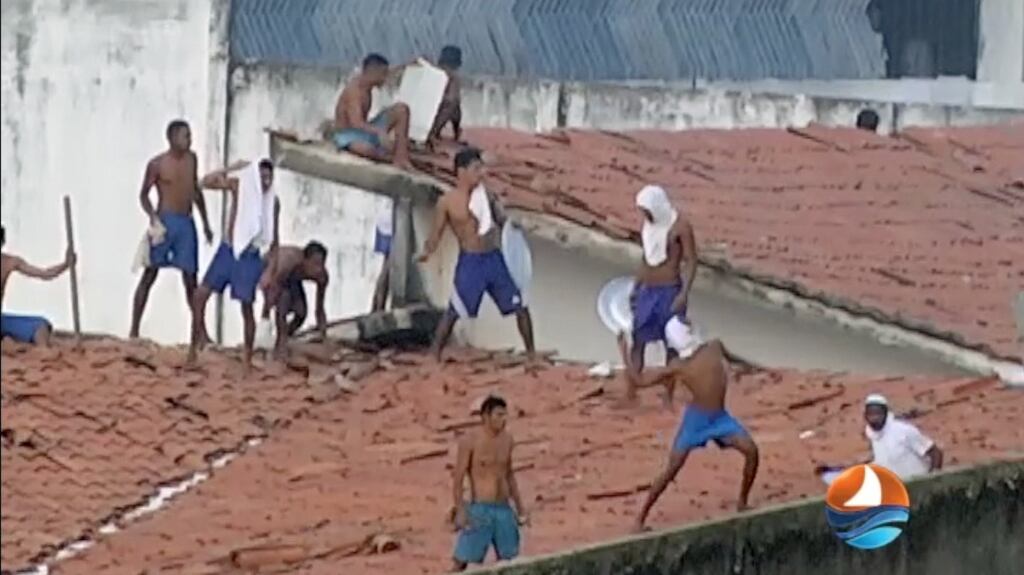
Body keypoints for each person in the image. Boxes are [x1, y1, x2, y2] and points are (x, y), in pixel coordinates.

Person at [620, 317, 759, 531]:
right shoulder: (680, 366)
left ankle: (742, 502)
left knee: (751, 451)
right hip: (696, 421)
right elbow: (640, 382)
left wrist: (752, 367)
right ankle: (640, 518)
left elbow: (732, 359)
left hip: (720, 418)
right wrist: (624, 352)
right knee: (672, 469)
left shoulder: (714, 347)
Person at [418, 147, 536, 363]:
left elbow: (503, 221)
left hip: (493, 257)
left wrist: (514, 227)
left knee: (520, 304)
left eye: (481, 168)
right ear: (461, 172)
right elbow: (436, 234)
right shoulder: (447, 202)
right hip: (471, 262)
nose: (480, 173)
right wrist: (426, 252)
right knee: (454, 310)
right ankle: (434, 354)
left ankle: (531, 354)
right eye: (475, 169)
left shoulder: (486, 196)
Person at [187, 159, 281, 372]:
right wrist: (232, 168)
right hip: (228, 251)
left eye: (269, 178)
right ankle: (193, 350)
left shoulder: (272, 203)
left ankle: (247, 359)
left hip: (250, 257)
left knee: (246, 308)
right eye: (262, 177)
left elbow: (275, 240)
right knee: (200, 295)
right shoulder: (240, 187)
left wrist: (270, 271)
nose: (266, 182)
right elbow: (205, 182)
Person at [130, 119, 215, 339]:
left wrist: (205, 222)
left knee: (190, 279)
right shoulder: (157, 164)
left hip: (186, 222)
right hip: (166, 221)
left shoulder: (191, 160)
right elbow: (143, 195)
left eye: (189, 136)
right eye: (185, 136)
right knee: (150, 274)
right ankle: (134, 329)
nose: (189, 140)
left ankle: (200, 333)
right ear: (172, 138)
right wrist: (153, 217)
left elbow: (195, 191)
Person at [627, 184, 698, 400]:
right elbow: (646, 258)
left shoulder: (680, 227)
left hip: (669, 291)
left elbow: (692, 261)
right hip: (648, 291)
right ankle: (632, 388)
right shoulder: (649, 227)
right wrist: (636, 286)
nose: (645, 215)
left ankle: (668, 393)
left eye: (647, 210)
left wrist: (683, 293)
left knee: (672, 344)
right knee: (638, 339)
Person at [449, 395, 528, 571]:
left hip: (503, 508)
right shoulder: (470, 441)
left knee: (509, 560)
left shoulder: (507, 440)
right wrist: (461, 510)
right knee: (462, 558)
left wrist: (520, 508)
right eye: (499, 415)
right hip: (480, 508)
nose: (503, 419)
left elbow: (509, 474)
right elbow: (458, 478)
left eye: (505, 415)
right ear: (486, 416)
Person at [816, 394, 943, 483]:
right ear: (865, 416)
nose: (874, 418)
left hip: (918, 482)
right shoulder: (872, 435)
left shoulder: (903, 431)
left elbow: (935, 452)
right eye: (871, 414)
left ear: (886, 413)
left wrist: (932, 480)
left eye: (878, 414)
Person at [332, 53, 413, 169]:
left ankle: (401, 158)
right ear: (373, 73)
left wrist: (409, 64)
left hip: (366, 131)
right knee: (367, 150)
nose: (385, 79)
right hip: (348, 135)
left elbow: (391, 71)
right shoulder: (355, 91)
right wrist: (380, 132)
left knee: (402, 110)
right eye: (383, 75)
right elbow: (356, 123)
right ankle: (387, 155)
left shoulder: (368, 81)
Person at [1, 225, 76, 346]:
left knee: (40, 327)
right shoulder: (9, 262)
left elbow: (44, 274)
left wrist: (65, 264)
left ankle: (45, 355)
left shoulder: (10, 262)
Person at [258, 241, 329, 359]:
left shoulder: (322, 276)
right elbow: (273, 288)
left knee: (301, 312)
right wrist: (265, 315)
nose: (318, 269)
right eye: (315, 264)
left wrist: (323, 334)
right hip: (271, 271)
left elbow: (320, 308)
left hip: (292, 279)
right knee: (283, 302)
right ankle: (280, 344)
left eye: (321, 265)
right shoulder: (289, 262)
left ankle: (287, 337)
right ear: (304, 260)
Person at [427, 45, 464, 148]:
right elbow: (453, 99)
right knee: (454, 105)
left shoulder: (433, 73)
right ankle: (435, 133)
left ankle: (436, 132)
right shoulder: (453, 77)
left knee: (454, 105)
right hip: (438, 110)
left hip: (427, 111)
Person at [371, 205, 393, 312]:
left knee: (386, 267)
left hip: (387, 220)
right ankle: (379, 307)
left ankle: (377, 305)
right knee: (388, 269)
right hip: (391, 223)